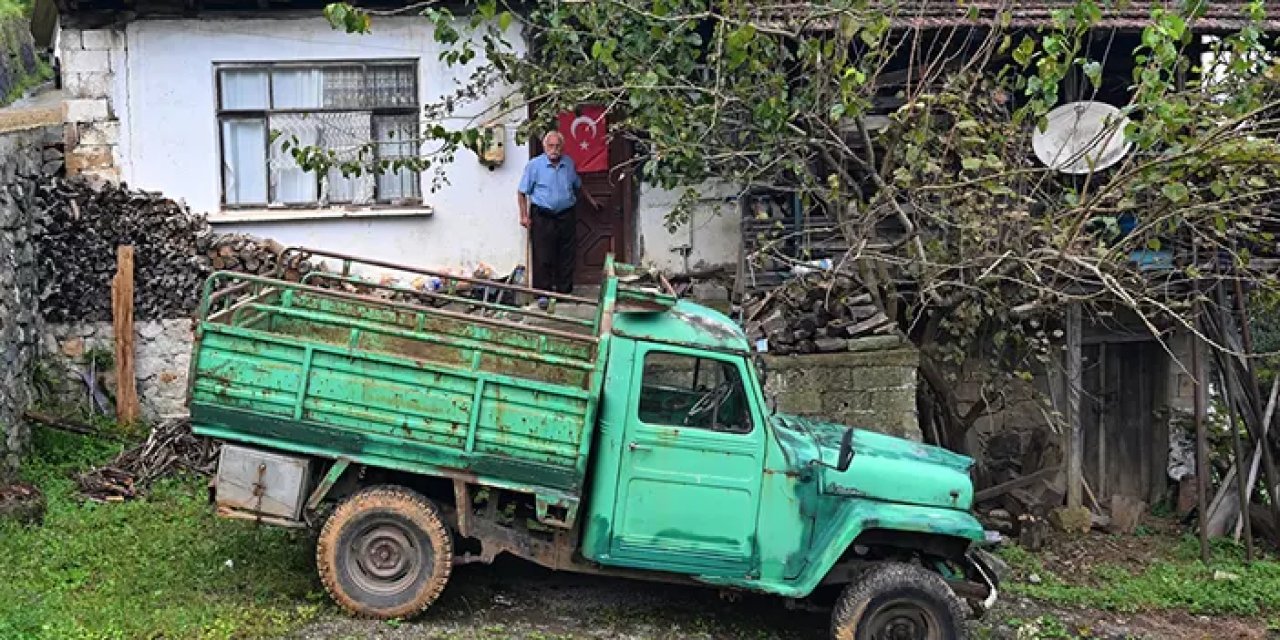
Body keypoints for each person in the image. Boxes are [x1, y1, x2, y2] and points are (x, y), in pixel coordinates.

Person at [517, 131, 600, 303]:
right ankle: (543, 294)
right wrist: (524, 216)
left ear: (562, 147)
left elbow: (578, 185)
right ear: (544, 146)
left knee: (566, 254)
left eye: (557, 146)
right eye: (551, 146)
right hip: (542, 215)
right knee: (543, 255)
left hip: (566, 214)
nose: (554, 150)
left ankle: (564, 291)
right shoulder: (534, 165)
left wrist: (591, 201)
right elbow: (521, 191)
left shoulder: (568, 163)